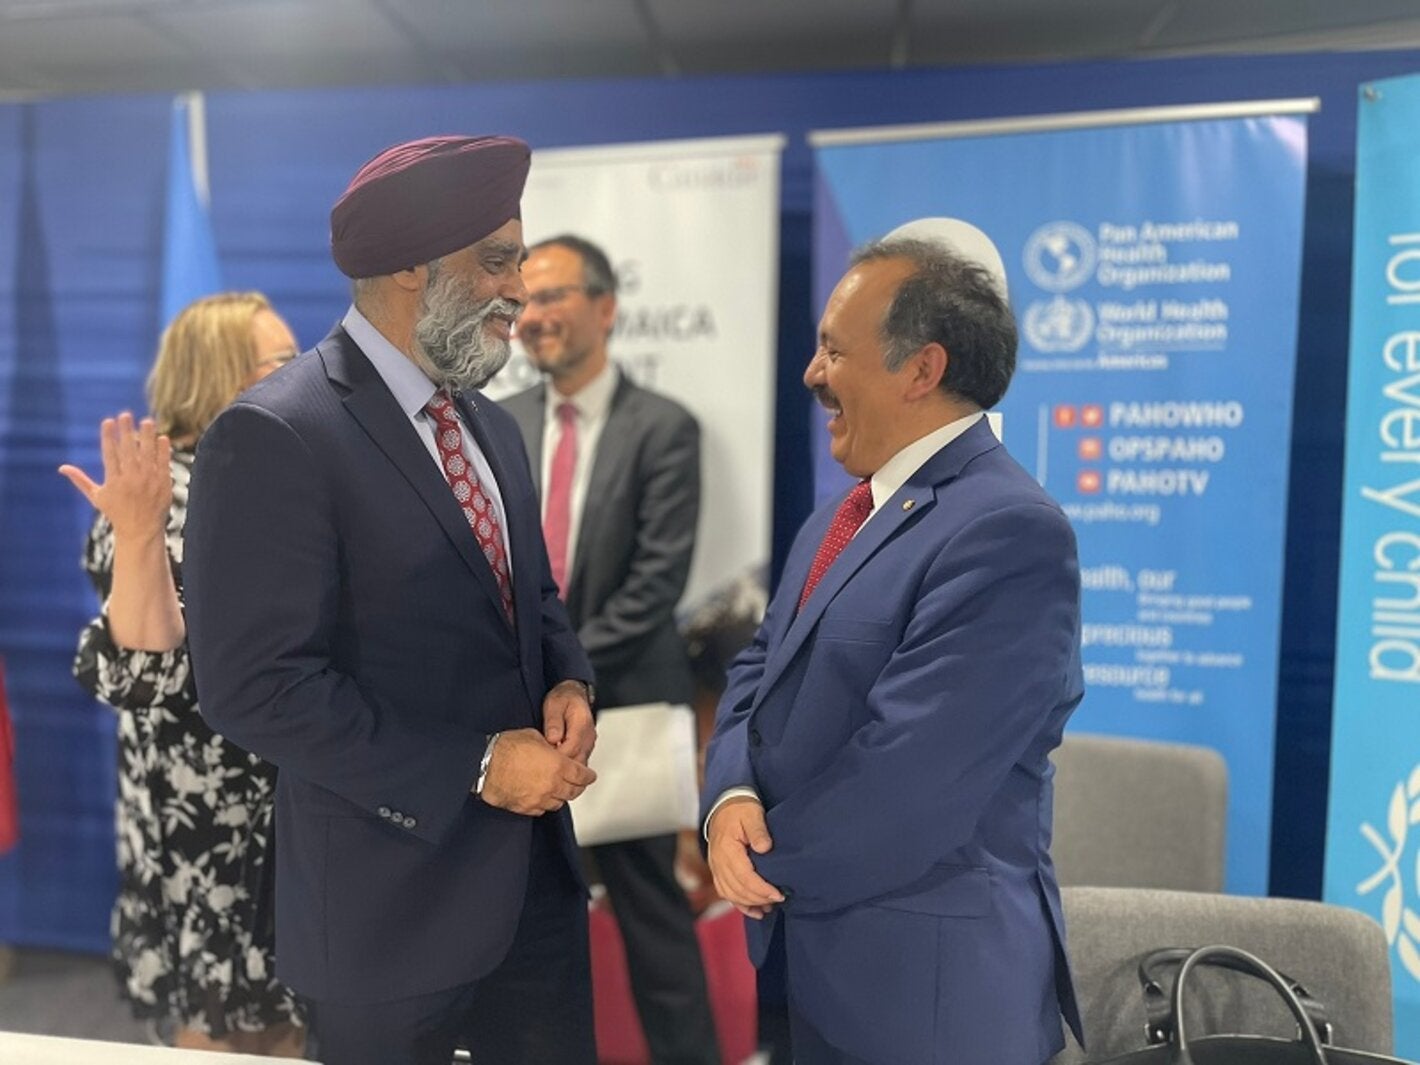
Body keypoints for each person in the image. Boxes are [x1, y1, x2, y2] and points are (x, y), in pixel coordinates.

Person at [181, 135, 599, 1065]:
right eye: (496, 259)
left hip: (535, 894)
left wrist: (569, 680)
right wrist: (478, 765)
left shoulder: (492, 425)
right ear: (410, 264)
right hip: (387, 919)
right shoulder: (274, 433)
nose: (519, 288)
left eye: (519, 260)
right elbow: (255, 688)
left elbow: (530, 597)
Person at [701, 219, 1086, 1065]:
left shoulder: (1011, 531)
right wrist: (729, 801)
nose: (812, 374)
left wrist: (759, 864)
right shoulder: (845, 514)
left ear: (923, 368)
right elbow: (758, 671)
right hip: (829, 967)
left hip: (931, 1002)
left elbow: (912, 780)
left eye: (833, 351)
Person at [60, 292, 305, 1056]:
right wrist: (135, 534)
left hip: (290, 796)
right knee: (221, 1018)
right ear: (222, 374)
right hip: (203, 819)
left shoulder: (282, 474)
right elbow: (145, 668)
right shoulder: (157, 491)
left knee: (290, 1009)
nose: (307, 376)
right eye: (283, 363)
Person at [504, 234, 721, 1065]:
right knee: (524, 933)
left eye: (554, 295)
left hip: (623, 711)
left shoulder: (663, 428)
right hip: (514, 724)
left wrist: (561, 670)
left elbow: (654, 587)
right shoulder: (495, 424)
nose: (534, 316)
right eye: (524, 299)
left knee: (654, 927)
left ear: (606, 307)